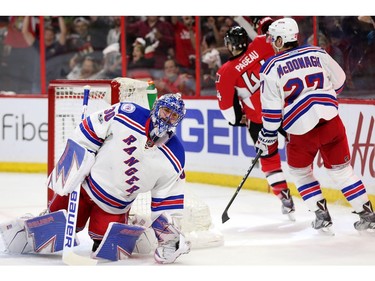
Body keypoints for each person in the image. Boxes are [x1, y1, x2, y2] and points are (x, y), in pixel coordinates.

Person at [0, 93, 191, 264]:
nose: (168, 117)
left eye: (174, 115)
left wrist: (168, 234)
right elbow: (87, 130)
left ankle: (135, 228)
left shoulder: (175, 155)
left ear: (179, 120)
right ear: (156, 107)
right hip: (83, 189)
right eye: (166, 110)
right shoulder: (126, 112)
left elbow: (166, 201)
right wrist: (77, 164)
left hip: (113, 207)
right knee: (49, 231)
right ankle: (28, 224)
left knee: (106, 252)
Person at [256, 17, 375, 233]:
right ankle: (367, 214)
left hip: (301, 130)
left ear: (282, 40)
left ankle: (322, 216)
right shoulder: (317, 52)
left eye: (274, 39)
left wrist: (266, 137)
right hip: (331, 122)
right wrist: (322, 98)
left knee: (300, 172)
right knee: (342, 171)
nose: (272, 42)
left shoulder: (271, 67)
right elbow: (338, 81)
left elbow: (272, 113)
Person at [215, 25, 295, 220]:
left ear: (230, 45)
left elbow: (229, 110)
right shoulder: (260, 43)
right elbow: (276, 33)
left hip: (259, 120)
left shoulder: (226, 72)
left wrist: (237, 119)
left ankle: (283, 194)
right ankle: (312, 191)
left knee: (269, 160)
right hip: (286, 108)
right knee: (301, 147)